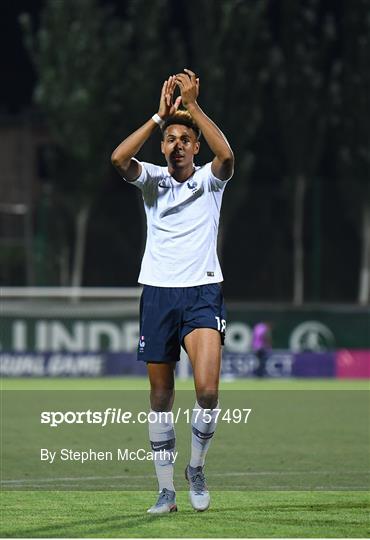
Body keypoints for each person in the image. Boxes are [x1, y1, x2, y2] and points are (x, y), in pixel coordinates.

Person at [111, 69, 234, 513]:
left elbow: (228, 158)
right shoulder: (152, 180)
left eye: (186, 138)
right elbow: (118, 159)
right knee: (161, 397)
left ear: (195, 147)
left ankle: (196, 467)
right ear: (163, 147)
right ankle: (166, 491)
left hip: (202, 292)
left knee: (207, 391)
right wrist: (157, 118)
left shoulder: (208, 181)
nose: (178, 144)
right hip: (159, 294)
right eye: (171, 139)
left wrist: (194, 107)